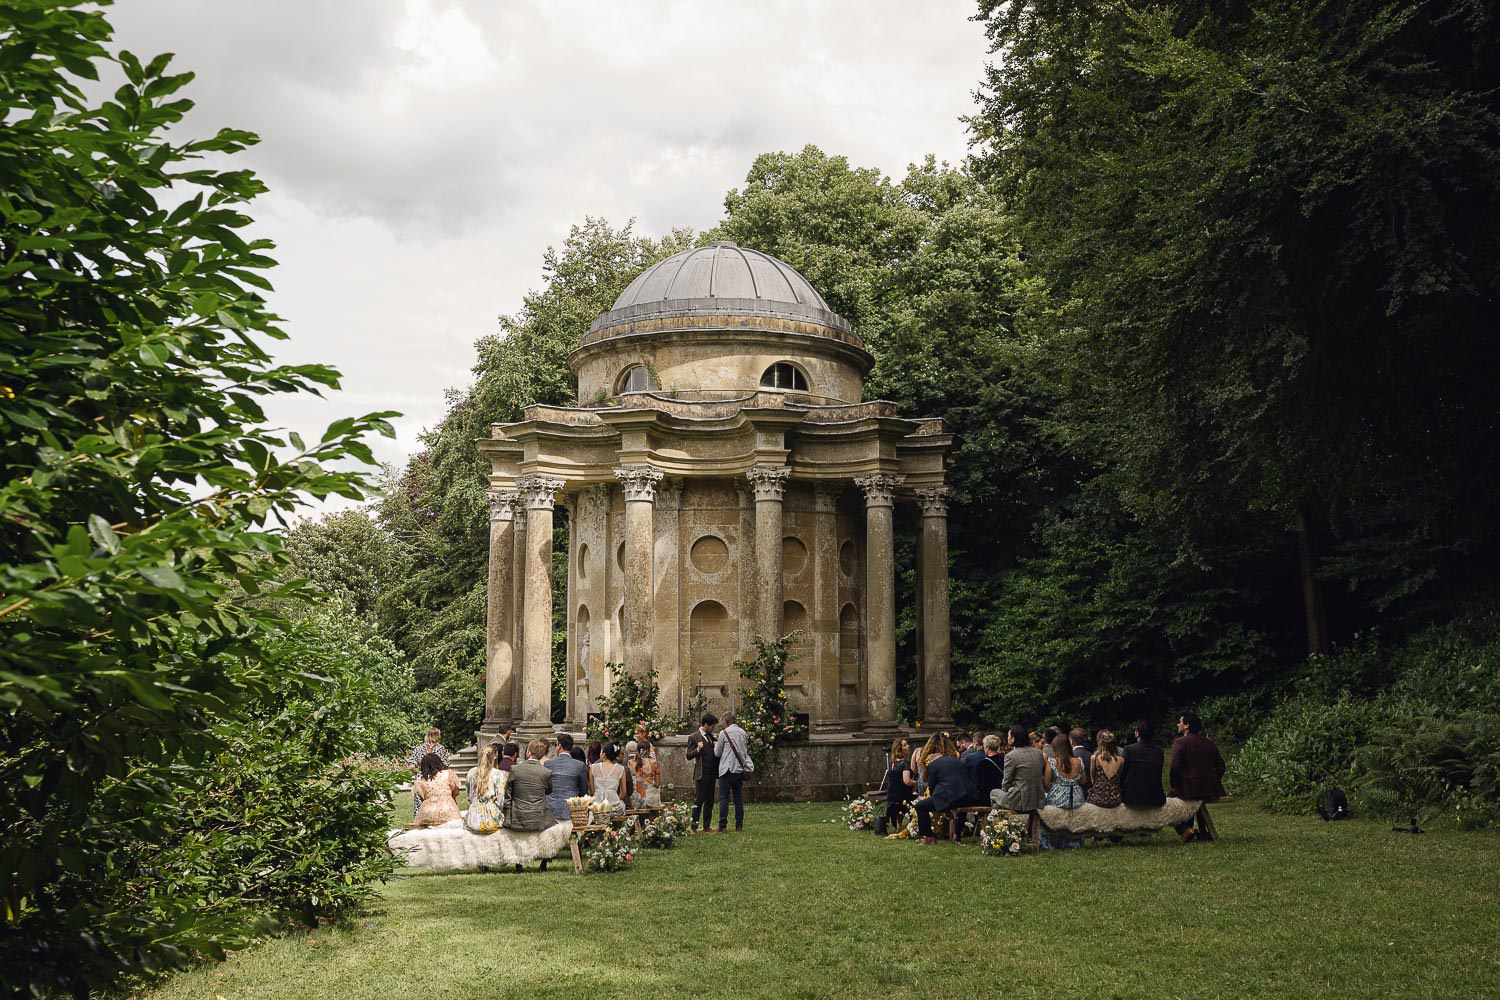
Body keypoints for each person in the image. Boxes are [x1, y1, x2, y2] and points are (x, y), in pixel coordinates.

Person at [1171, 712, 1226, 842]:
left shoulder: (1180, 742)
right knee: (1191, 800)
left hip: (1190, 788)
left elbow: (1174, 768)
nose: (1178, 724)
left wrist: (1176, 786)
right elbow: (1221, 766)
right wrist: (1213, 780)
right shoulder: (1209, 743)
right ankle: (1197, 832)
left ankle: (1185, 830)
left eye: (1180, 721)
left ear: (1186, 726)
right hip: (1210, 789)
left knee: (1168, 802)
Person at [913, 736, 973, 845]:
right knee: (960, 809)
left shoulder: (933, 765)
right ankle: (957, 835)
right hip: (967, 797)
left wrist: (941, 805)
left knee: (920, 806)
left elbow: (932, 788)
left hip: (948, 796)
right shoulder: (957, 761)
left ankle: (928, 836)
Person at [1041, 733, 1085, 848]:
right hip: (1076, 799)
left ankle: (1051, 841)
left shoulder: (1052, 762)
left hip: (1057, 799)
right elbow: (1084, 780)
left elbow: (1046, 783)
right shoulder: (1079, 761)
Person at [713, 710, 753, 832]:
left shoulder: (723, 733)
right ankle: (739, 826)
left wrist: (715, 744)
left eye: (723, 723)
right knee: (738, 799)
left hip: (726, 769)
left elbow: (717, 753)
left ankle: (722, 826)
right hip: (739, 769)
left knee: (724, 798)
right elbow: (744, 751)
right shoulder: (743, 732)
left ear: (726, 721)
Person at [996, 724, 1046, 812]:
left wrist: (1006, 791)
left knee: (994, 793)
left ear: (1013, 738)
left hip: (1021, 800)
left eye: (1009, 736)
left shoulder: (1010, 756)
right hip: (1038, 798)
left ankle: (998, 822)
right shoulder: (1038, 753)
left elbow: (1006, 782)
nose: (1008, 738)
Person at [1118, 719, 1167, 808]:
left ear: (1137, 733)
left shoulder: (1129, 750)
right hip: (1155, 797)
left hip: (1132, 798)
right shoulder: (1159, 751)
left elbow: (1123, 775)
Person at [685, 713, 718, 832]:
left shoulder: (711, 736)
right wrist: (698, 749)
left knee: (710, 800)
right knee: (698, 800)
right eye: (712, 726)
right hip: (701, 773)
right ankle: (694, 826)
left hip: (712, 773)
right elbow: (688, 755)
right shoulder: (694, 737)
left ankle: (706, 825)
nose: (713, 728)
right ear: (705, 725)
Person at [545, 733, 589, 821]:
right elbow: (584, 790)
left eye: (555, 745)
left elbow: (544, 787)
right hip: (571, 809)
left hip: (551, 809)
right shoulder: (580, 765)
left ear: (559, 746)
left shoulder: (548, 764)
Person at [408, 726, 449, 819]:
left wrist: (418, 773)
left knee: (420, 804)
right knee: (437, 803)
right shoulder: (440, 748)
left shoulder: (418, 749)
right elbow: (446, 764)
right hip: (436, 779)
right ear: (437, 736)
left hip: (422, 778)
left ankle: (418, 822)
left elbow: (411, 765)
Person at [464, 743, 507, 833]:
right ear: (495, 757)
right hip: (492, 821)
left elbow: (469, 797)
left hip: (472, 819)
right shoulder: (498, 774)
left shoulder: (471, 772)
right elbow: (501, 801)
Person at [413, 751, 461, 827]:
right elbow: (456, 791)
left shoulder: (420, 781)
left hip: (428, 811)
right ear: (439, 762)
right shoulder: (448, 773)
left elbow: (423, 798)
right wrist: (450, 798)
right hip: (448, 808)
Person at [883, 737, 916, 834]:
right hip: (902, 795)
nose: (908, 746)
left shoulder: (893, 763)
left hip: (892, 794)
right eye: (905, 745)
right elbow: (906, 781)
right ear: (900, 749)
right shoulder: (905, 763)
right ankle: (912, 825)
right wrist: (915, 782)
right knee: (914, 799)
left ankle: (898, 825)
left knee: (899, 805)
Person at [1086, 730, 1124, 807]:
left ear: (1101, 743)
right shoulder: (1121, 760)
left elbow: (1092, 778)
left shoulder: (1094, 758)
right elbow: (1119, 777)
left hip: (1098, 797)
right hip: (1114, 798)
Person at [589, 743, 627, 817]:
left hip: (597, 805)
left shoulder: (593, 767)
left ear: (604, 754)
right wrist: (616, 799)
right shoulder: (621, 769)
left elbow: (592, 789)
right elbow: (624, 791)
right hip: (614, 805)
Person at [631, 738, 662, 808]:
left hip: (636, 799)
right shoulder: (654, 763)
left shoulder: (631, 763)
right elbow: (657, 784)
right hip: (650, 798)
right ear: (648, 750)